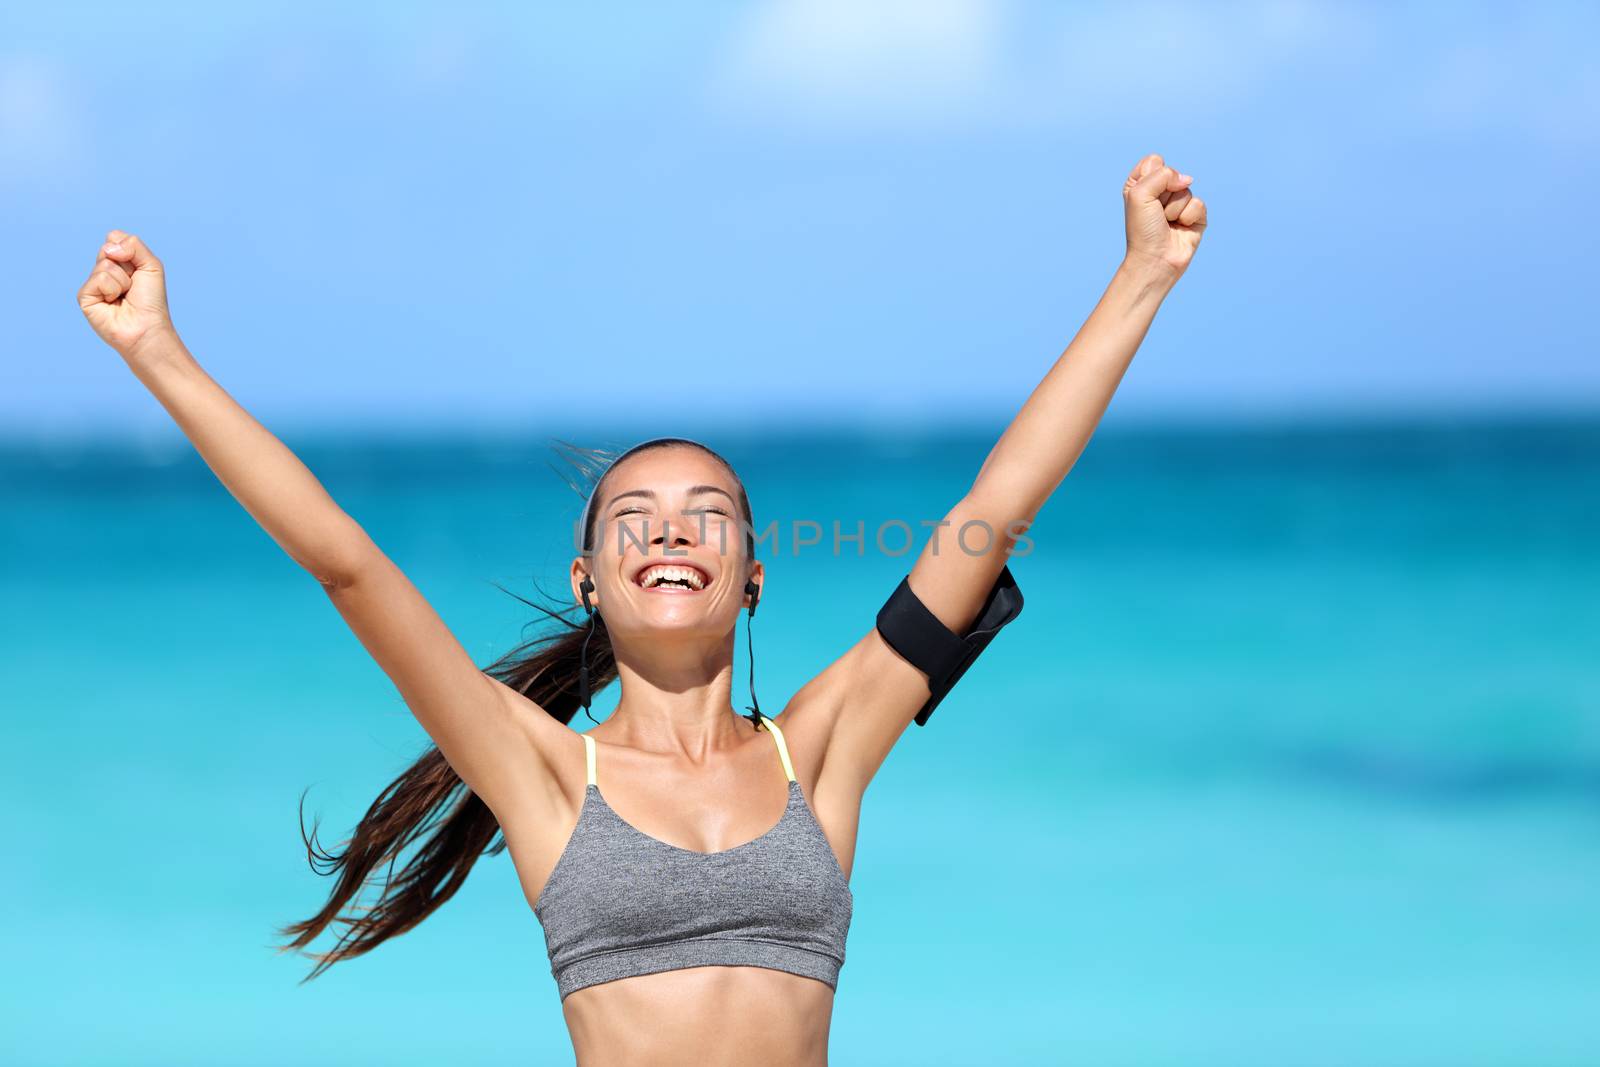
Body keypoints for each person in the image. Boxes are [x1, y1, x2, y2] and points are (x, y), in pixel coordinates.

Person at [76, 153, 1205, 1066]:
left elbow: (993, 510)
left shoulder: (822, 746)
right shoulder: (546, 774)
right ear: (589, 580)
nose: (670, 531)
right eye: (635, 517)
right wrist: (158, 352)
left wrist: (1141, 276)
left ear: (753, 574)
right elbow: (350, 567)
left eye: (707, 513)